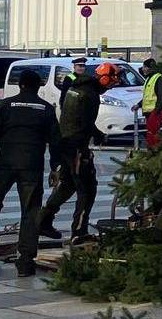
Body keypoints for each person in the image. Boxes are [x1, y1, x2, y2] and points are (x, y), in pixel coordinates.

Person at [0, 68, 56, 276]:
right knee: (30, 211)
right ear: (38, 87)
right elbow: (55, 141)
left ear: (20, 85)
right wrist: (55, 168)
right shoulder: (46, 108)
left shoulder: (6, 105)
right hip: (32, 166)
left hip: (5, 163)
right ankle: (25, 262)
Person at [39, 60, 110, 244]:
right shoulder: (90, 94)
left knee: (68, 185)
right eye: (111, 83)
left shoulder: (76, 87)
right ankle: (79, 231)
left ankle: (42, 220)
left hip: (65, 143)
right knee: (87, 189)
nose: (109, 88)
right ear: (104, 80)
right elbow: (86, 122)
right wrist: (99, 135)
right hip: (77, 147)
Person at [140, 59, 162, 150]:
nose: (143, 69)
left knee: (152, 131)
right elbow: (147, 96)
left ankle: (154, 150)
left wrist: (156, 110)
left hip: (156, 110)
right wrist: (138, 104)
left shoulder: (158, 78)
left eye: (145, 67)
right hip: (150, 110)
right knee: (151, 130)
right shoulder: (149, 78)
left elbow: (161, 96)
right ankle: (152, 149)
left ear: (150, 68)